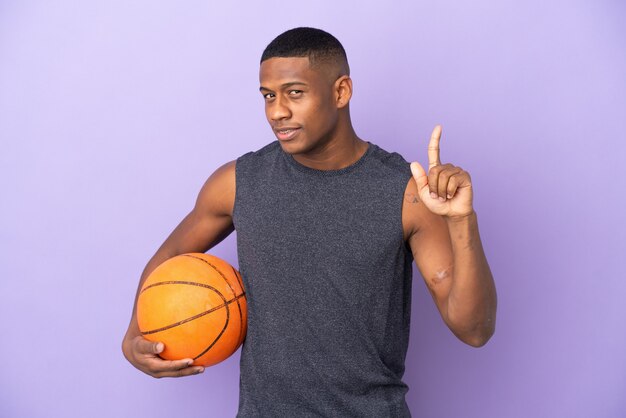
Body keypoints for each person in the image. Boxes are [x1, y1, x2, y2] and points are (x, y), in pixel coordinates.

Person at [122, 27, 497, 417]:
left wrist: (461, 221)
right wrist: (134, 335)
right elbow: (170, 256)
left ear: (341, 92)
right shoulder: (236, 184)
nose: (277, 111)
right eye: (268, 96)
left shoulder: (407, 193)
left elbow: (474, 328)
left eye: (294, 92)